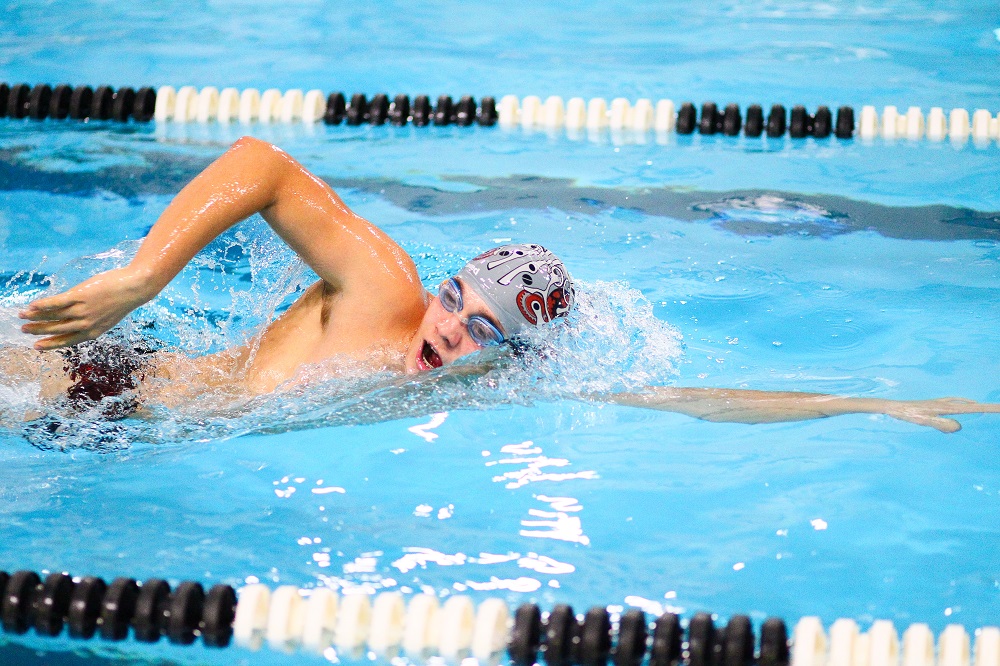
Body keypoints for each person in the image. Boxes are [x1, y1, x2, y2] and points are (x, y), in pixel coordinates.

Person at [13, 137, 1000, 431]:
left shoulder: (477, 377)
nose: (450, 333)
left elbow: (679, 400)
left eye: (483, 331)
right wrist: (141, 277)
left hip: (118, 431)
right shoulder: (382, 288)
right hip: (101, 381)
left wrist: (870, 402)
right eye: (457, 301)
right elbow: (263, 164)